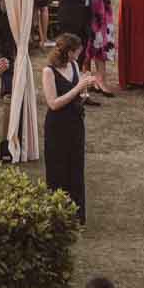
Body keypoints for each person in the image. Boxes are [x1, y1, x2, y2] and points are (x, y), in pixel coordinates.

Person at [43, 33, 97, 222]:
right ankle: (58, 216)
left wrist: (83, 92)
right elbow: (53, 103)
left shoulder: (74, 66)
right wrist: (78, 88)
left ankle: (77, 215)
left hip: (75, 123)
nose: (79, 55)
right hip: (57, 126)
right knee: (58, 169)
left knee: (75, 168)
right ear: (69, 51)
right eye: (77, 51)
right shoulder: (49, 71)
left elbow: (75, 95)